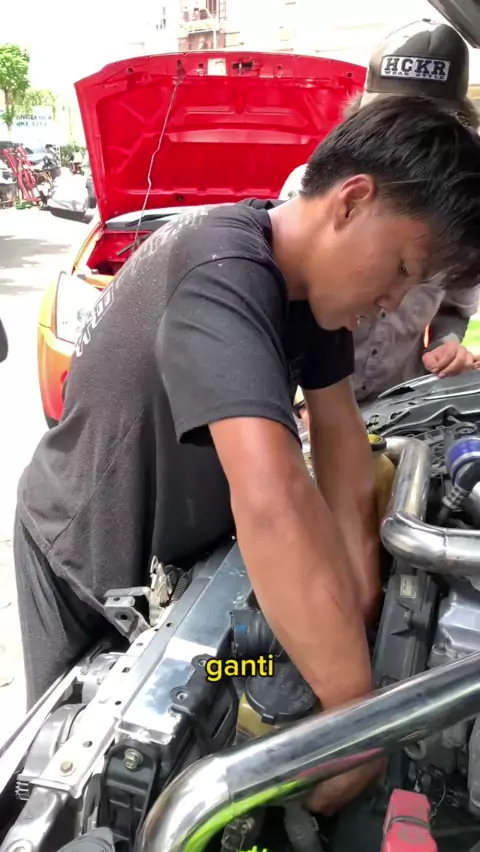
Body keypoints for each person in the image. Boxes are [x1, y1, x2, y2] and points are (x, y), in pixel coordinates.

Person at [14, 96, 480, 813]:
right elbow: (273, 498)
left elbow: (342, 445)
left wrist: (361, 609)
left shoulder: (308, 292)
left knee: (240, 676)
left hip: (177, 569)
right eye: (399, 268)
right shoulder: (223, 266)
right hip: (82, 564)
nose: (394, 302)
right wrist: (355, 724)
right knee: (85, 782)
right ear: (352, 201)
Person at [280, 20, 480, 429]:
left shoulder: (456, 215)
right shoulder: (308, 192)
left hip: (400, 408)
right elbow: (282, 306)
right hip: (305, 412)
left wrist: (446, 344)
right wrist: (299, 397)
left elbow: (455, 306)